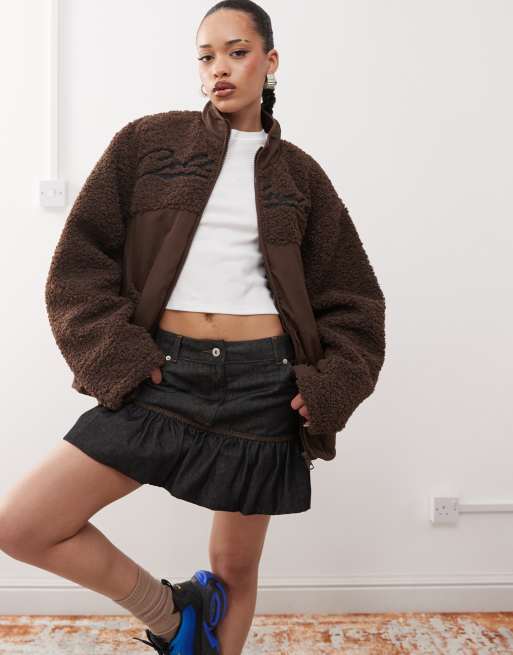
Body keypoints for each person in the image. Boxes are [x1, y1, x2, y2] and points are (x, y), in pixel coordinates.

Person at [0, 1, 386, 654]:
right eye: (206, 57)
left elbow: (353, 299)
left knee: (234, 567)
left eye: (237, 52)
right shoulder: (147, 146)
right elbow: (79, 262)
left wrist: (328, 386)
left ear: (269, 61)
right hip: (161, 372)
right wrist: (119, 356)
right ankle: (173, 614)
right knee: (22, 524)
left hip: (264, 385)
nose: (219, 69)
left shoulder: (301, 177)